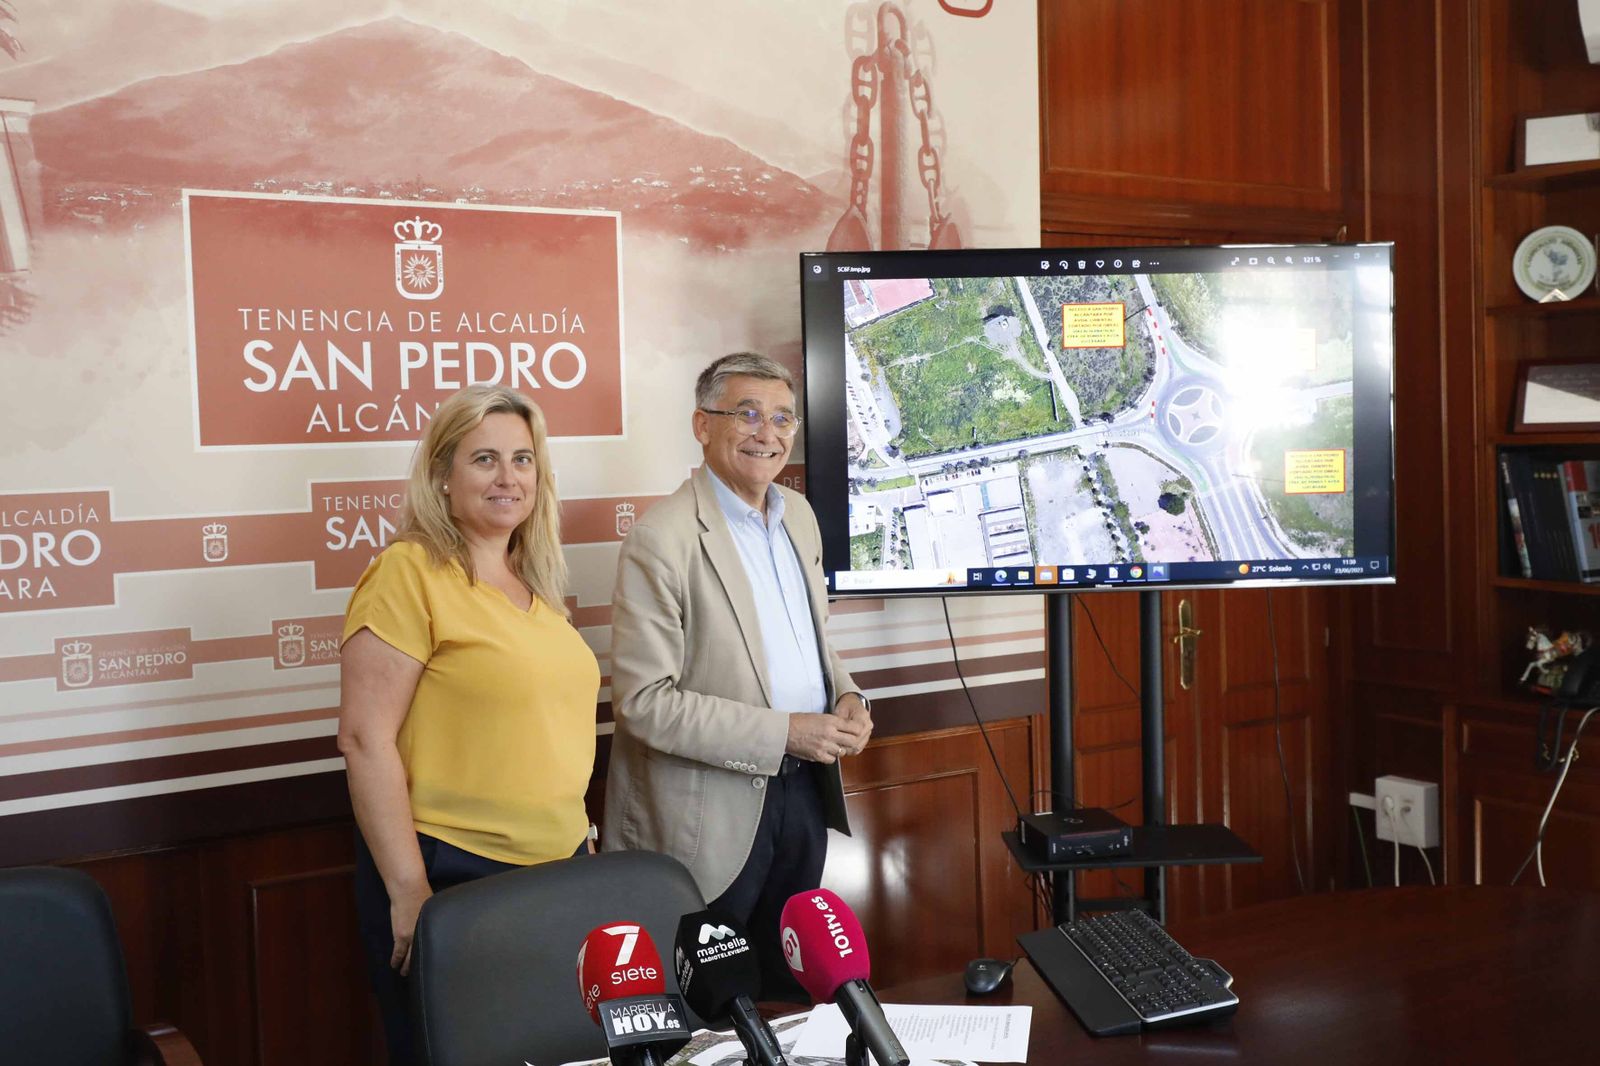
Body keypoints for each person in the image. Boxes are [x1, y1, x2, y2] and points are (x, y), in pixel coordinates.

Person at [337, 385, 599, 1065]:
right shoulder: (408, 572)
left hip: (557, 871)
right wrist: (409, 891)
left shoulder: (536, 586)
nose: (508, 476)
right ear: (442, 478)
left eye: (522, 459)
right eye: (484, 459)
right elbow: (364, 739)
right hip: (451, 873)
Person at [604, 352, 873, 998]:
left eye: (783, 418)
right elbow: (644, 704)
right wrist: (786, 732)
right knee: (711, 1008)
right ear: (703, 425)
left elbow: (810, 639)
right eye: (747, 414)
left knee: (792, 991)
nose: (767, 433)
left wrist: (847, 694)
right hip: (709, 817)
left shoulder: (799, 515)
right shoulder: (661, 539)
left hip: (803, 794)